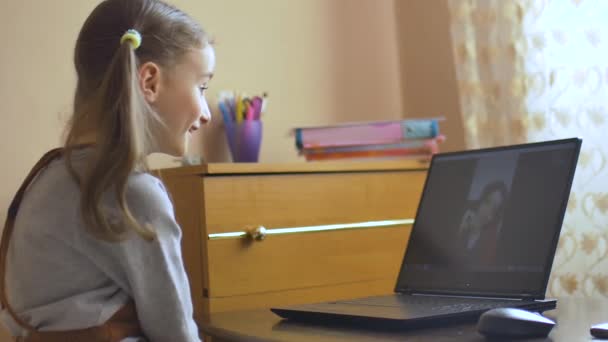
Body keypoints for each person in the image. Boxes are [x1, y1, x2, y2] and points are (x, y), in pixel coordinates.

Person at [0, 0, 215, 341]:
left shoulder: (43, 179)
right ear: (150, 82)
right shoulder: (134, 194)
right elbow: (177, 333)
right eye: (201, 87)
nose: (206, 113)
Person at [457, 180, 508, 266]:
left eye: (494, 210)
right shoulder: (464, 214)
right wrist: (460, 229)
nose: (487, 213)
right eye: (487, 202)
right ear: (481, 200)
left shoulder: (490, 241)